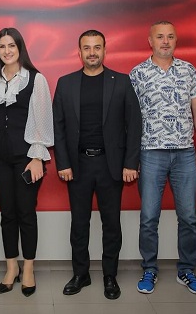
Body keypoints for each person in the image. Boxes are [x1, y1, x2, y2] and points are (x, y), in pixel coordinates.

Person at [53, 30, 142, 300]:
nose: (92, 52)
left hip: (110, 165)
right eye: (87, 48)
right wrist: (63, 162)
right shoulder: (65, 83)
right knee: (79, 224)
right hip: (77, 165)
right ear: (79, 52)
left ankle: (109, 276)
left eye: (97, 47)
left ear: (105, 50)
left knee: (111, 223)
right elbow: (58, 126)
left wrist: (130, 163)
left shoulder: (122, 82)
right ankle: (81, 274)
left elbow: (134, 125)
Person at [129, 21, 196, 295]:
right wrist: (132, 157)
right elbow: (130, 118)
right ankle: (149, 269)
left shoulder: (188, 70)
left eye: (170, 37)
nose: (165, 41)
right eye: (160, 37)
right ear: (150, 41)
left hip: (185, 153)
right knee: (149, 217)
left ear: (176, 40)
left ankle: (186, 270)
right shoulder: (138, 73)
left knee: (188, 217)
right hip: (150, 153)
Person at [0, 27, 54, 297]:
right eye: (2, 46)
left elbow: (43, 119)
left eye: (11, 45)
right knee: (7, 213)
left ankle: (28, 268)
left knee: (26, 212)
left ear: (20, 48)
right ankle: (11, 266)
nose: (7, 51)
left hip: (26, 158)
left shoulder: (35, 79)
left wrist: (37, 157)